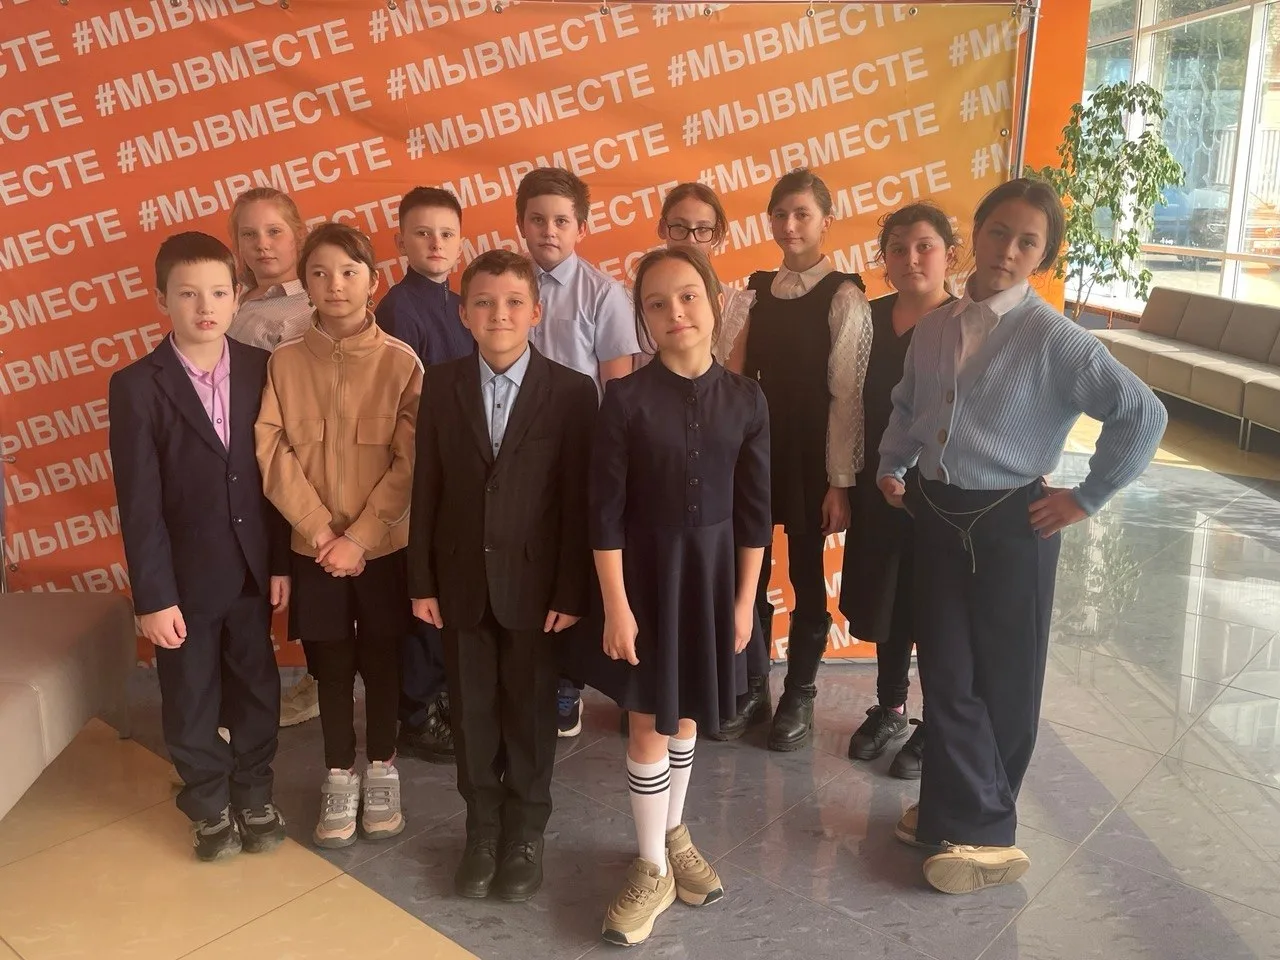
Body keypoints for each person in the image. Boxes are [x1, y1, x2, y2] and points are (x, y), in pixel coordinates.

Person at [879, 178, 1166, 894]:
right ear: (975, 234)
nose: (1008, 250)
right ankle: (953, 809)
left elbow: (1141, 413)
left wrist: (1087, 497)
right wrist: (892, 463)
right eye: (998, 231)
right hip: (937, 513)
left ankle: (985, 831)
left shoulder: (1055, 339)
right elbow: (909, 403)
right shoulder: (937, 326)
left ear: (1045, 256)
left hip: (1014, 522)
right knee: (946, 670)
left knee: (1003, 676)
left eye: (1028, 241)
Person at [570, 247, 770, 945]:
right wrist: (616, 605)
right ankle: (651, 865)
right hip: (644, 580)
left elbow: (754, 514)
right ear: (643, 319)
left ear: (715, 302)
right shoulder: (624, 400)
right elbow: (604, 514)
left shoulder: (747, 399)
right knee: (647, 721)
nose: (675, 312)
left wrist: (743, 603)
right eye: (656, 303)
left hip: (713, 582)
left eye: (688, 296)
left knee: (686, 717)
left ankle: (674, 831)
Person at [408, 250, 597, 903]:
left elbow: (577, 502)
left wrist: (572, 589)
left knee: (530, 713)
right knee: (472, 714)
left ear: (536, 312)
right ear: (463, 313)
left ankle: (525, 833)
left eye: (514, 302)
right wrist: (421, 579)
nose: (499, 314)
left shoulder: (572, 391)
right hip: (460, 582)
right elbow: (426, 486)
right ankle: (482, 831)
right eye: (484, 302)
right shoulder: (441, 385)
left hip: (538, 590)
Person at [109, 231, 290, 861]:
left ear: (238, 296)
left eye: (217, 292)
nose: (205, 307)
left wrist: (281, 563)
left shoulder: (265, 369)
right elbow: (139, 503)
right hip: (183, 581)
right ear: (162, 299)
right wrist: (153, 596)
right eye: (187, 294)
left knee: (256, 687)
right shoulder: (136, 386)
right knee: (189, 694)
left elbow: (278, 477)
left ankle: (254, 791)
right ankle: (208, 802)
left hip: (252, 571)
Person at [256, 222, 424, 849]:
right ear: (304, 283)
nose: (335, 285)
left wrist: (362, 535)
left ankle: (381, 767)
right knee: (329, 664)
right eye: (320, 273)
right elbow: (272, 451)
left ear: (372, 280)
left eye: (349, 272)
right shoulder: (283, 362)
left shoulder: (402, 363)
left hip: (383, 547)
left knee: (382, 660)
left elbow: (411, 462)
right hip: (314, 549)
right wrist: (321, 530)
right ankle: (338, 774)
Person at [723, 168, 872, 752]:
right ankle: (753, 686)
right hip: (758, 449)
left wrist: (840, 481)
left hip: (813, 452)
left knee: (807, 575)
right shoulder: (755, 291)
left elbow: (847, 395)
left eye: (802, 214)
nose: (790, 225)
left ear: (826, 221)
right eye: (780, 214)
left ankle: (800, 693)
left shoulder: (844, 295)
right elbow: (735, 377)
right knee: (751, 569)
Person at [515, 166, 640, 738]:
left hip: (576, 453)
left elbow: (618, 390)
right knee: (522, 563)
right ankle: (524, 673)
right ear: (521, 224)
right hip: (509, 450)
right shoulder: (504, 281)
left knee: (570, 566)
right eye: (537, 219)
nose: (549, 230)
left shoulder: (603, 293)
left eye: (561, 221)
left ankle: (567, 684)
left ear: (581, 228)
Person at [841, 204, 959, 780]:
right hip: (875, 480)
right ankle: (890, 709)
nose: (911, 259)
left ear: (950, 255)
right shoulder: (866, 318)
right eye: (897, 248)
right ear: (883, 259)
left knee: (935, 609)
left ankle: (937, 724)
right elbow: (843, 403)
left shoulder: (967, 324)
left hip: (940, 491)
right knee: (888, 603)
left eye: (924, 246)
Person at [655, 181, 770, 740]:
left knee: (729, 594)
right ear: (663, 230)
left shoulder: (736, 302)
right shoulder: (650, 290)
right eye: (679, 226)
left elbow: (734, 377)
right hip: (660, 449)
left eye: (702, 228)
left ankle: (736, 688)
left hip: (716, 442)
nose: (690, 236)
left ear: (719, 234)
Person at [376, 185, 475, 766]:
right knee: (421, 593)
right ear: (400, 242)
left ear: (461, 242)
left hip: (461, 465)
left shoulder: (462, 303)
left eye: (446, 233)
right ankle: (415, 711)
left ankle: (440, 697)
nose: (435, 243)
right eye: (422, 233)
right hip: (420, 468)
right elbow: (404, 403)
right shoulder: (398, 309)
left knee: (447, 589)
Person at [225, 186, 320, 728]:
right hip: (239, 462)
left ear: (298, 235)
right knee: (256, 575)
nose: (262, 244)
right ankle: (249, 686)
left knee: (307, 573)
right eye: (249, 234)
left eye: (274, 231)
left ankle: (318, 679)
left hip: (291, 460)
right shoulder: (233, 300)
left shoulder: (310, 304)